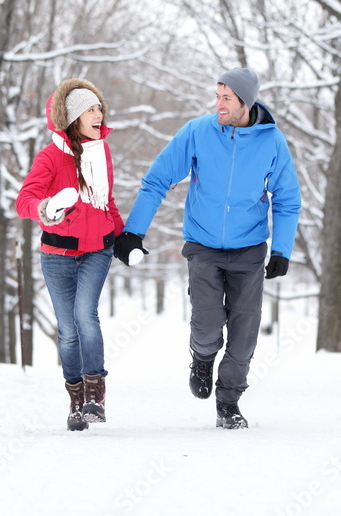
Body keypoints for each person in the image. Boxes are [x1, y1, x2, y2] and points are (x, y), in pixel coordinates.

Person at [114, 68, 301, 429]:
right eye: (217, 96)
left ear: (245, 102)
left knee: (245, 330)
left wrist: (282, 250)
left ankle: (228, 402)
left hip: (249, 248)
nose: (218, 104)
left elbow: (288, 199)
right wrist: (133, 233)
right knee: (207, 321)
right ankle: (202, 357)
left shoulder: (272, 141)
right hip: (202, 245)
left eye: (226, 98)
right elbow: (158, 179)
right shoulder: (198, 132)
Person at [16, 78, 123, 431]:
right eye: (91, 110)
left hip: (97, 250)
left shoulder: (101, 151)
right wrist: (45, 208)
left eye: (99, 108)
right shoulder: (50, 158)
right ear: (74, 118)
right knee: (68, 331)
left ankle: (96, 396)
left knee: (85, 315)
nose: (99, 114)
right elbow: (24, 200)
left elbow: (106, 202)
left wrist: (125, 238)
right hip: (58, 254)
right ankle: (76, 402)